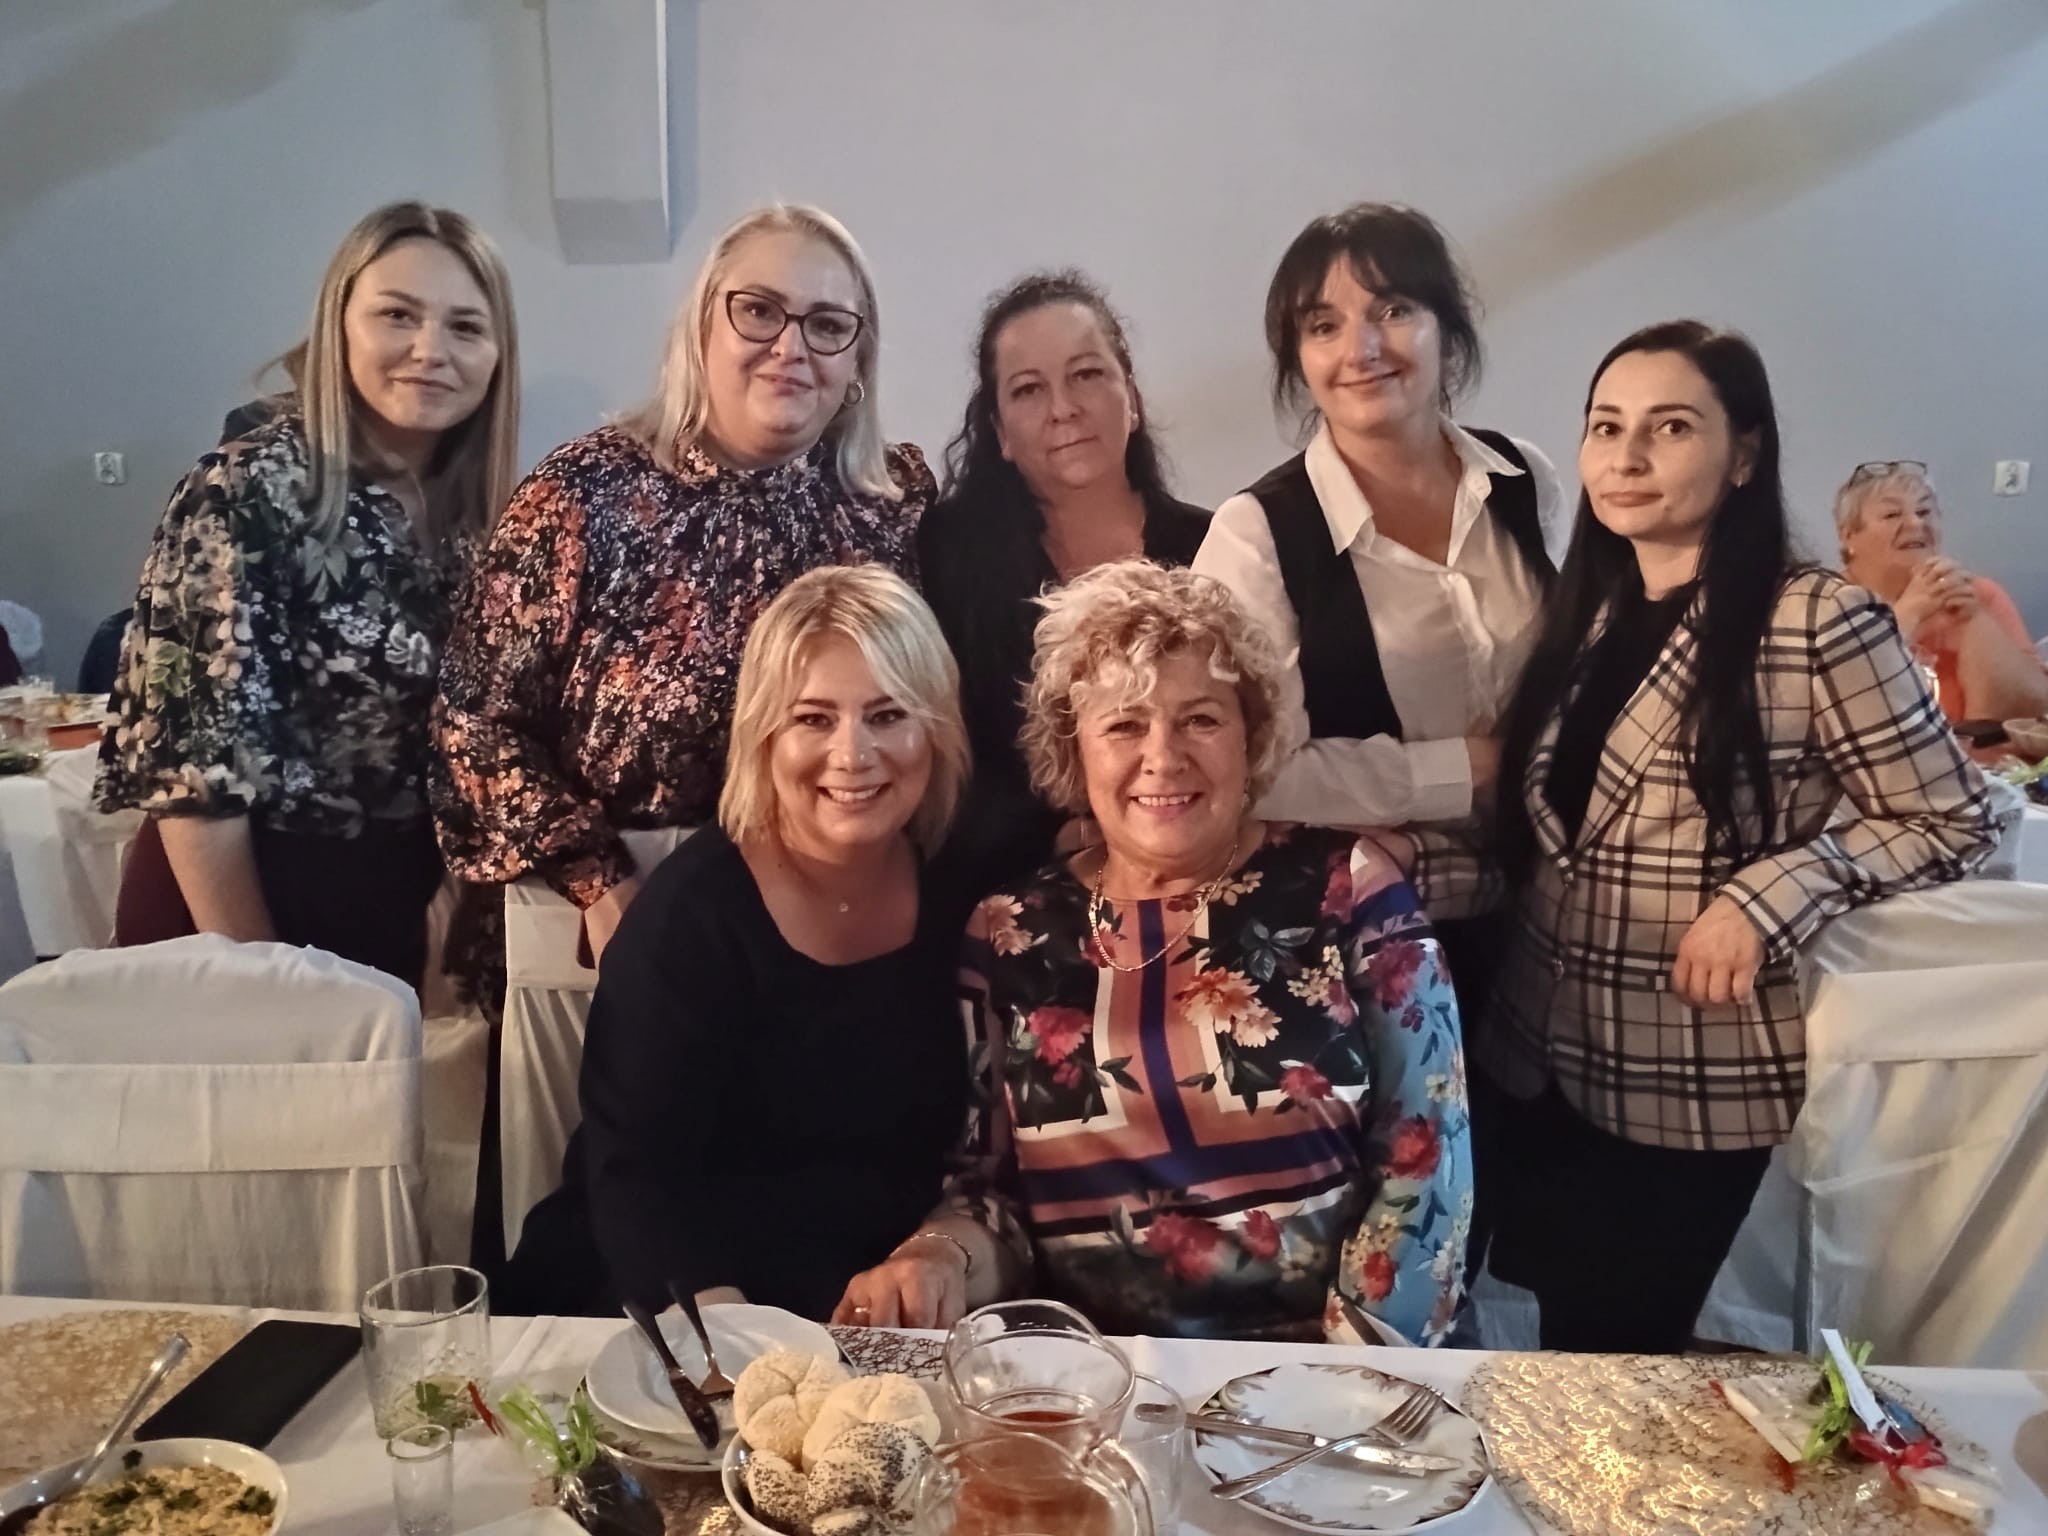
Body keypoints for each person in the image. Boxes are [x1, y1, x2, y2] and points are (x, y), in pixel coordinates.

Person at [1395, 322, 1999, 1354]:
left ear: (1743, 454)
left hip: (1685, 1081)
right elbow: (1555, 846)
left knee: (1626, 1369)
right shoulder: (1586, 615)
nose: (1626, 458)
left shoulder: (1815, 620)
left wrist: (1767, 895)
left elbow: (1956, 816)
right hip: (1534, 1062)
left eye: (1669, 428)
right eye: (1605, 428)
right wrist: (1397, 866)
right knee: (1551, 1357)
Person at [432, 204, 933, 1248]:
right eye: (758, 310)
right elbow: (474, 722)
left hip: (820, 925)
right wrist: (598, 879)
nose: (790, 345)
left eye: (827, 324)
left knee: (788, 1219)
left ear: (858, 359)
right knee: (612, 1220)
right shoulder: (583, 496)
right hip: (606, 907)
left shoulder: (888, 504)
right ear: (701, 325)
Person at [837, 561, 1472, 1343]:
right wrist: (938, 1256)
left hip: (1332, 1365)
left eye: (1200, 719)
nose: (1163, 757)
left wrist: (1349, 1372)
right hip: (1100, 1373)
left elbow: (1427, 1162)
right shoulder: (1010, 930)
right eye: (1124, 726)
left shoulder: (1350, 887)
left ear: (1252, 736)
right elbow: (991, 1194)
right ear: (1074, 751)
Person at [500, 565, 978, 1320]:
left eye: (887, 715)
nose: (853, 754)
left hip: (869, 1302)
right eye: (814, 719)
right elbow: (636, 1182)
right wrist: (736, 1349)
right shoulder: (685, 921)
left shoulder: (964, 888)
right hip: (666, 1294)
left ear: (936, 728)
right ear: (763, 735)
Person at [95, 201, 520, 992]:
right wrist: (267, 981)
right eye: (398, 315)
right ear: (338, 326)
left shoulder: (480, 518)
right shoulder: (244, 491)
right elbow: (192, 779)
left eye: (466, 326)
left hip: (391, 908)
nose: (431, 350)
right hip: (235, 911)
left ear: (498, 355)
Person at [1194, 203, 1569, 839]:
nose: (1361, 350)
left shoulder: (1522, 477)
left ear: (1447, 328)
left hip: (1553, 857)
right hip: (1378, 885)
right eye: (1324, 326)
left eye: (1394, 311)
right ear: (1299, 359)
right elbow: (1248, 769)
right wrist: (1467, 770)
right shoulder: (1256, 535)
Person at [918, 271, 1209, 893]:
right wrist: (1052, 835)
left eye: (1086, 374)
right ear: (1000, 432)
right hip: (1009, 888)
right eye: (1028, 389)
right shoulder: (944, 560)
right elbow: (937, 763)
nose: (1063, 408)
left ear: (1132, 397)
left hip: (1196, 870)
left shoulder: (1217, 547)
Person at [1834, 460, 2048, 725]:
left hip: (1982, 751)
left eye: (1924, 511)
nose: (1916, 523)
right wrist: (1907, 614)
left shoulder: (1977, 593)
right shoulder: (1825, 603)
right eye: (1892, 515)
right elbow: (1831, 706)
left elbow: (2036, 708)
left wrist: (1976, 620)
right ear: (1848, 535)